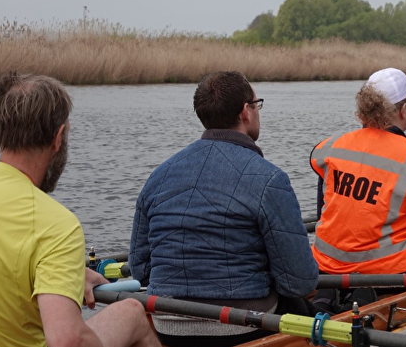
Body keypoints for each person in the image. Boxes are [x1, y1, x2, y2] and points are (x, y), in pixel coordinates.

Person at [129, 71, 318, 347]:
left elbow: (140, 270)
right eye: (257, 104)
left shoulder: (159, 175)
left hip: (168, 325)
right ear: (246, 112)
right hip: (240, 326)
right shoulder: (269, 179)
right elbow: (300, 282)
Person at [0, 72, 159, 347]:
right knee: (130, 314)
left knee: (130, 312)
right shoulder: (56, 226)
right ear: (58, 137)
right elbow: (68, 341)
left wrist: (62, 275)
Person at [310, 68, 406, 285]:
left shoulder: (330, 148)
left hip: (328, 267)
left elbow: (322, 213)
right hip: (390, 272)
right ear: (403, 109)